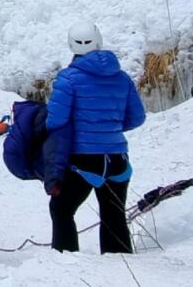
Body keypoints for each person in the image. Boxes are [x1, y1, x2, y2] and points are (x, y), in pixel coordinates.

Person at [46, 21, 146, 254]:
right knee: (114, 213)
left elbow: (55, 121)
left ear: (72, 44)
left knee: (62, 210)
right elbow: (137, 117)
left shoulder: (68, 78)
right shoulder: (121, 77)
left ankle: (66, 262)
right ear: (98, 41)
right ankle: (121, 267)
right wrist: (109, 129)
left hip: (83, 160)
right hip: (117, 158)